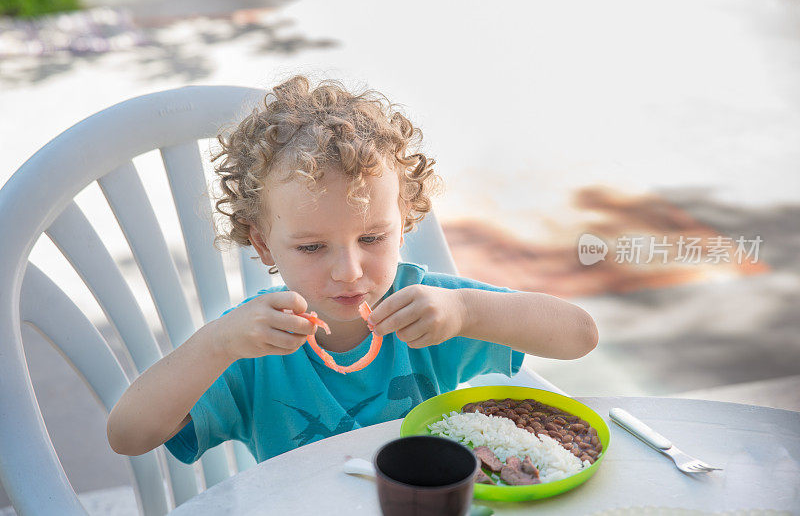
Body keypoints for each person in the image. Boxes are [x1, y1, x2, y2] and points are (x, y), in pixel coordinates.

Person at [106, 75, 599, 463]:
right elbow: (128, 435)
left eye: (371, 238)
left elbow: (580, 335)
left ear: (404, 223)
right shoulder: (252, 342)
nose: (348, 270)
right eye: (312, 246)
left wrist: (466, 310)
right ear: (263, 244)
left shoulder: (430, 310)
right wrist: (218, 344)